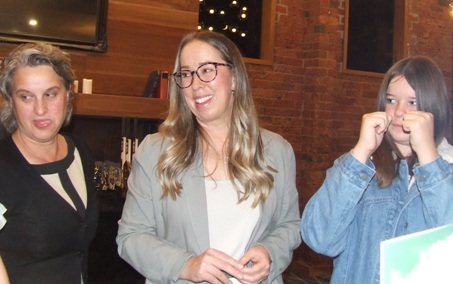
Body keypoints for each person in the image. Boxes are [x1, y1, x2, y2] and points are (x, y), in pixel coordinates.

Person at [116, 31, 301, 284]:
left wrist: (269, 252)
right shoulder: (156, 152)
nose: (195, 84)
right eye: (186, 74)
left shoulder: (276, 151)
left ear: (234, 78)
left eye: (207, 70)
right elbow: (131, 237)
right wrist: (187, 265)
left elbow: (289, 225)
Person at [300, 56, 453, 283]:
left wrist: (429, 156)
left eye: (412, 102)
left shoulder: (445, 171)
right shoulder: (359, 167)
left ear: (433, 107)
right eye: (391, 100)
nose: (398, 111)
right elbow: (319, 238)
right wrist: (361, 151)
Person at [0, 42, 99, 283]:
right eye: (26, 97)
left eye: (50, 94)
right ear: (11, 101)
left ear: (68, 93)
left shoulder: (80, 152)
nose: (40, 109)